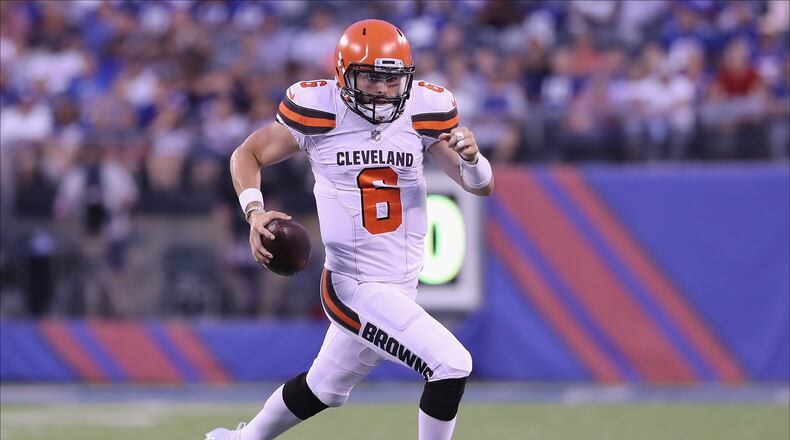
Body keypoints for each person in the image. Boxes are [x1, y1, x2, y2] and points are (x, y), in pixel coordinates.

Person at [206, 19, 494, 440]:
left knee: (323, 388)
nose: (382, 89)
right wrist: (254, 212)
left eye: (391, 79)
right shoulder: (319, 109)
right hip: (354, 285)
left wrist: (473, 160)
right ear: (344, 74)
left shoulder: (425, 109)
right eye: (371, 77)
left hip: (401, 284)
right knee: (450, 364)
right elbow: (246, 154)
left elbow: (479, 185)